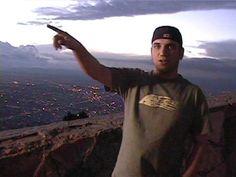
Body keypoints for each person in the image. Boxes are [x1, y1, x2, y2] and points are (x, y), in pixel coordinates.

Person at [49, 25, 211, 177]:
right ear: (151, 51)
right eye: (157, 45)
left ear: (181, 53)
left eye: (170, 46)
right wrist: (77, 48)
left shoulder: (192, 94)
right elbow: (97, 71)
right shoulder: (134, 80)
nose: (163, 52)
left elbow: (201, 143)